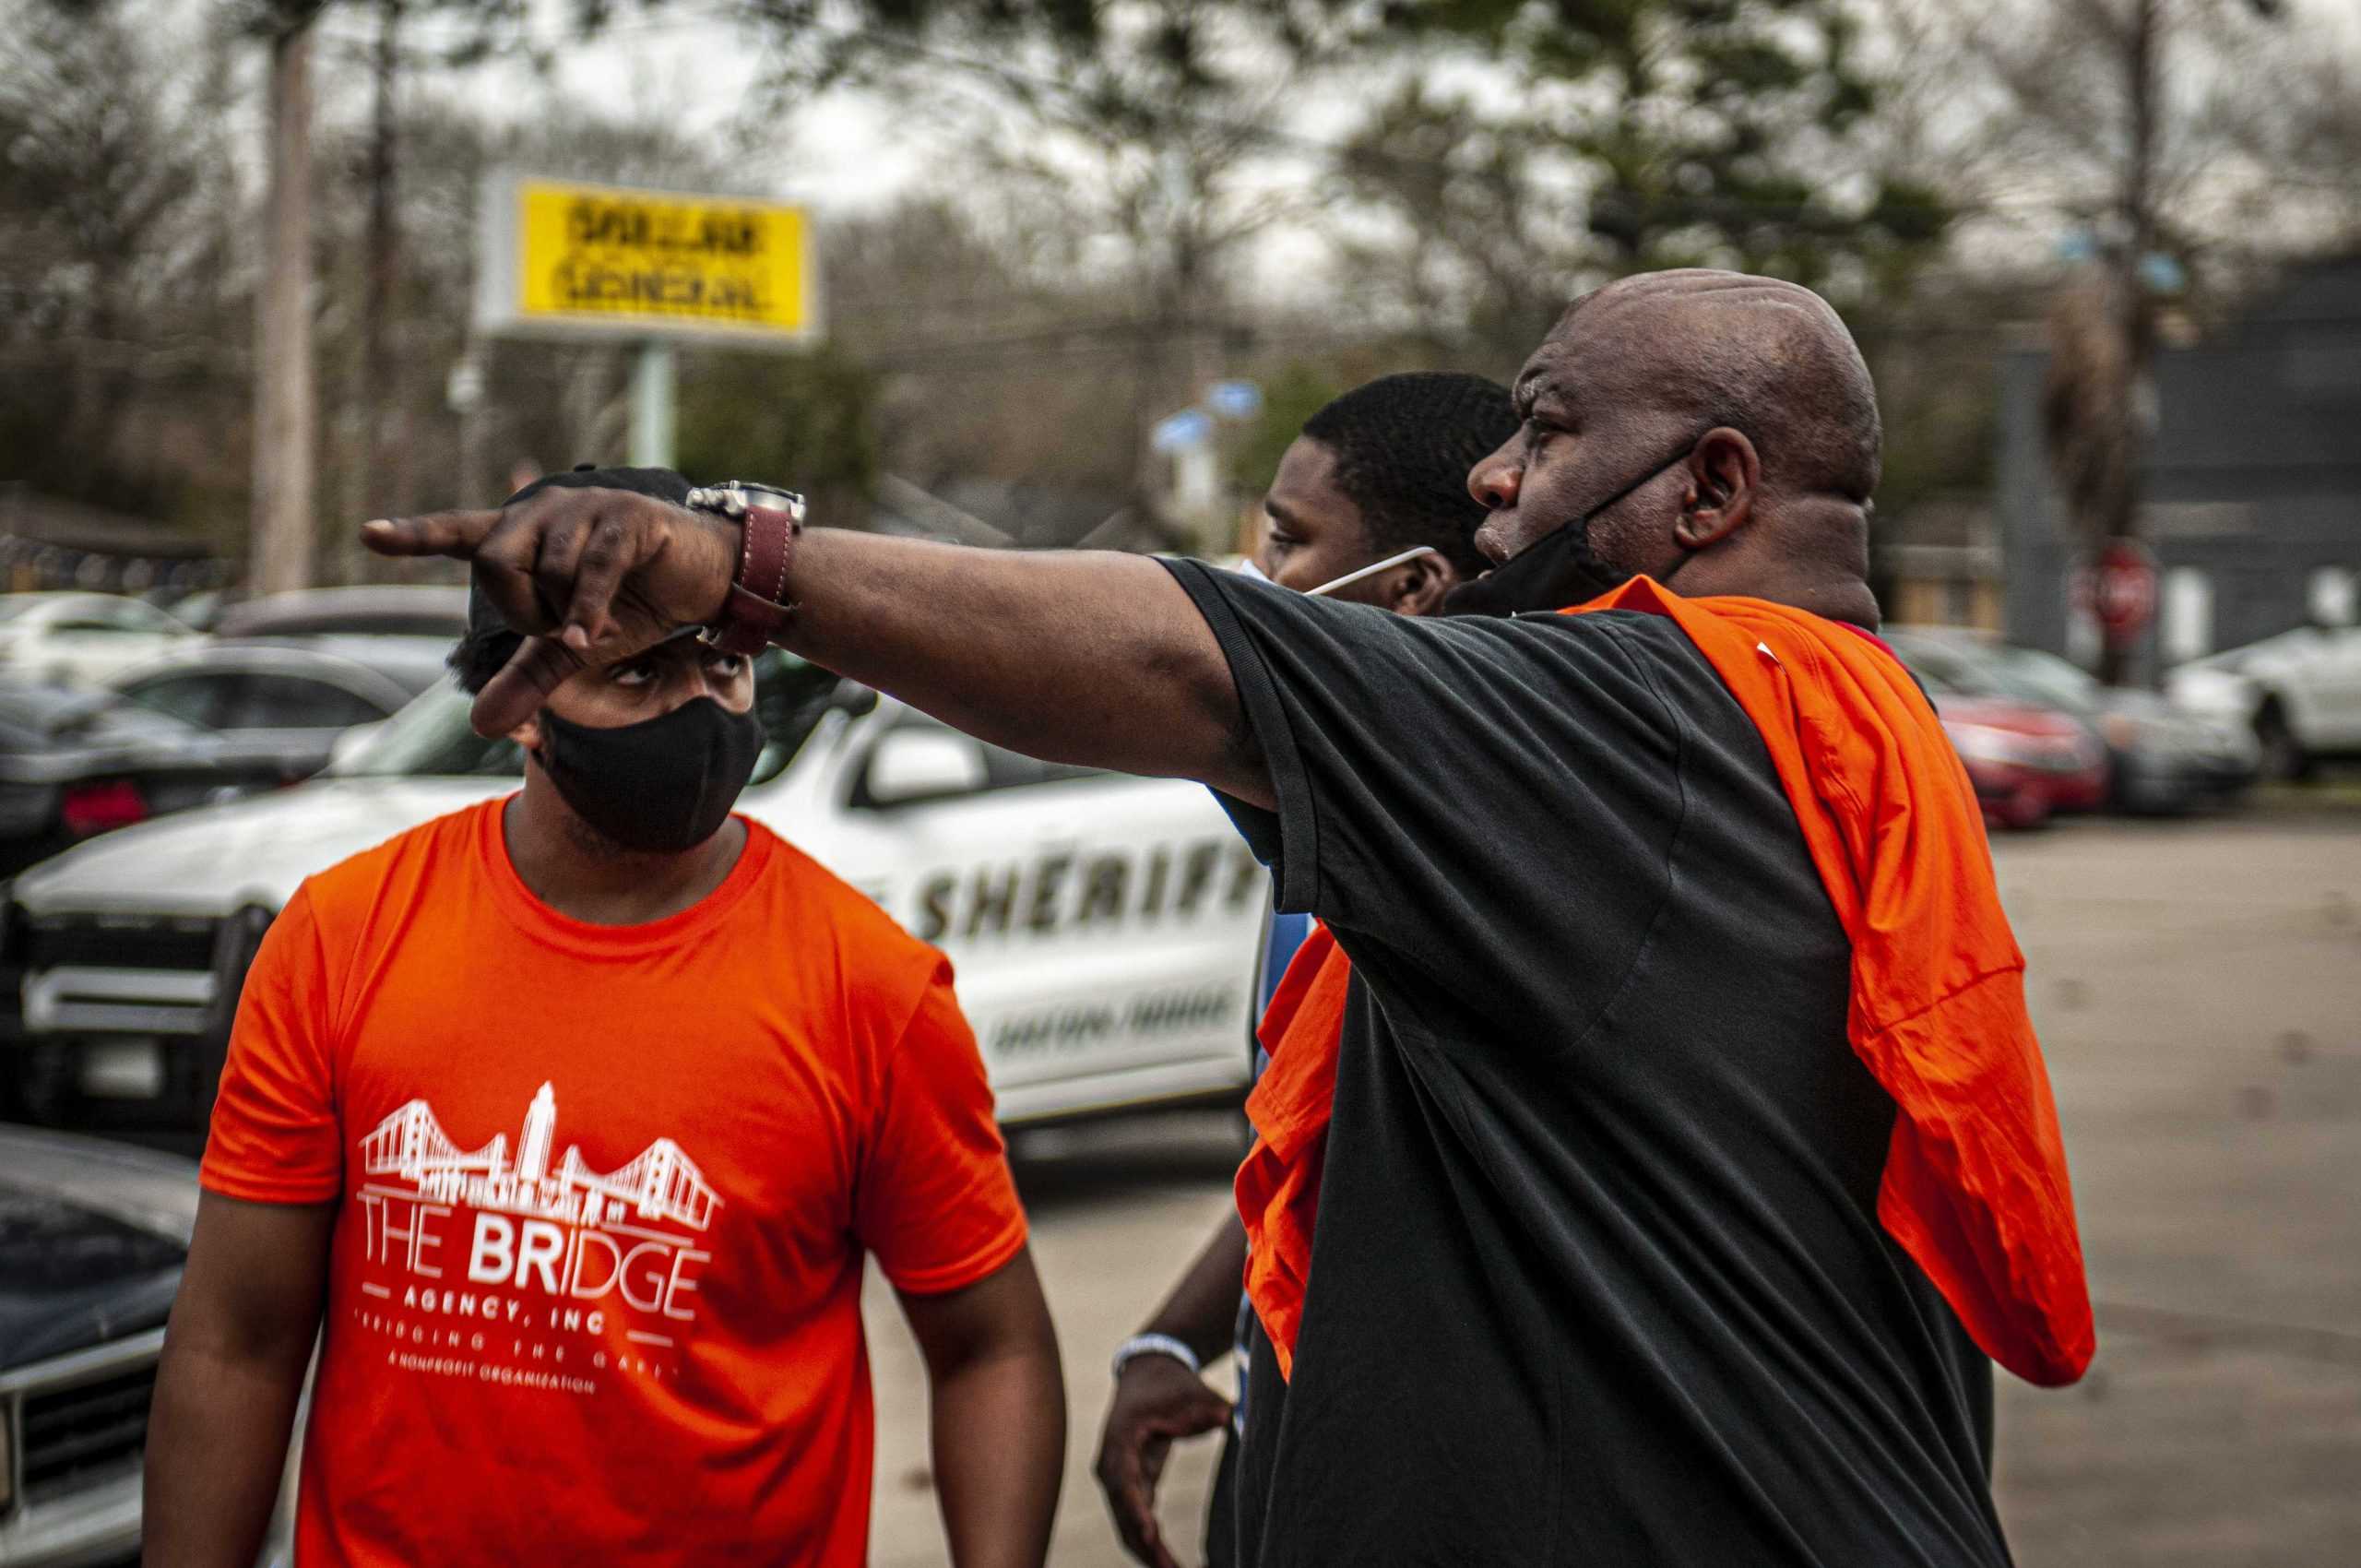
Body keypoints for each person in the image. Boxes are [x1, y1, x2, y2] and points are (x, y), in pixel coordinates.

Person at [363, 268, 2094, 1567]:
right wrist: (1177, 1329)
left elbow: (1170, 651)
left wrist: (738, 559)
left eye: (1550, 433)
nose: (1497, 479)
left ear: (1714, 491)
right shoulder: (1827, 722)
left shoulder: (1642, 716)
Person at [146, 466, 1065, 1568]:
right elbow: (237, 1343)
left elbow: (990, 1349)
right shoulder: (343, 935)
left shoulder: (868, 984)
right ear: (519, 708)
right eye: (635, 672)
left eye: (721, 662)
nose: (695, 706)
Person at [1092, 372, 1519, 1568]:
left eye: (1286, 543)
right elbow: (1328, 1155)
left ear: (1411, 590)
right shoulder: (1311, 855)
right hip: (1285, 1440)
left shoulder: (1490, 872)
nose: (1259, 583)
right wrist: (1172, 1344)